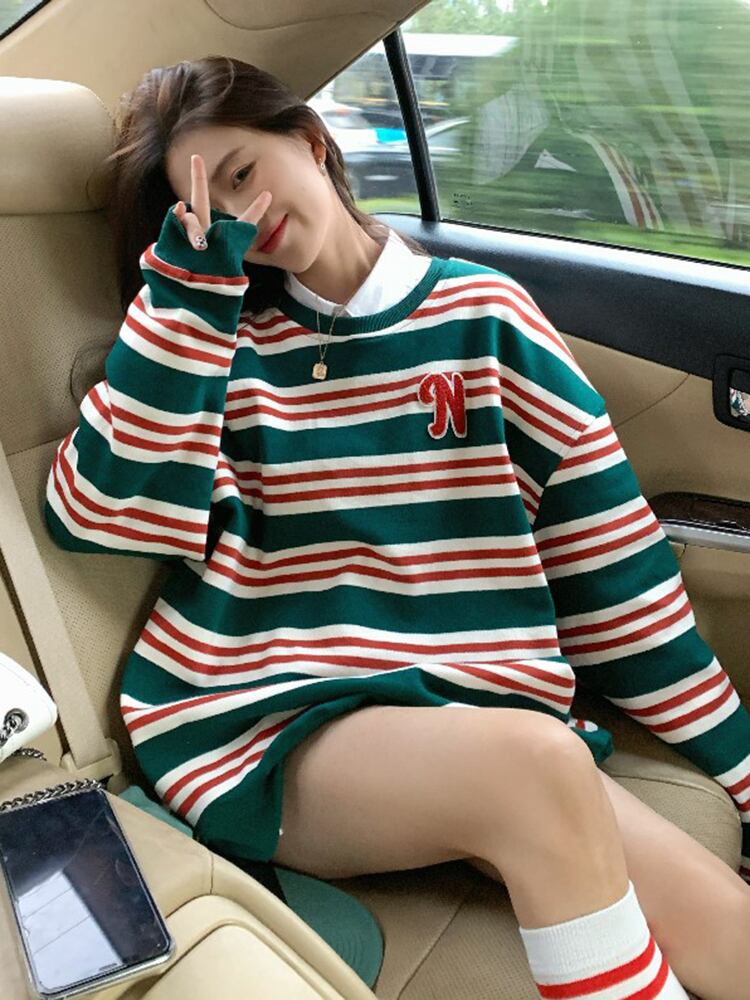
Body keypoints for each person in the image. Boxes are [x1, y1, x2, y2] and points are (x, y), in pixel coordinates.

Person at [45, 55, 750, 1000]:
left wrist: (741, 769)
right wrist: (185, 298)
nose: (244, 217)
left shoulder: (486, 317)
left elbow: (613, 575)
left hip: (481, 724)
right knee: (535, 763)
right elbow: (94, 509)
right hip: (268, 722)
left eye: (245, 173)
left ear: (310, 140)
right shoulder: (217, 351)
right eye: (209, 210)